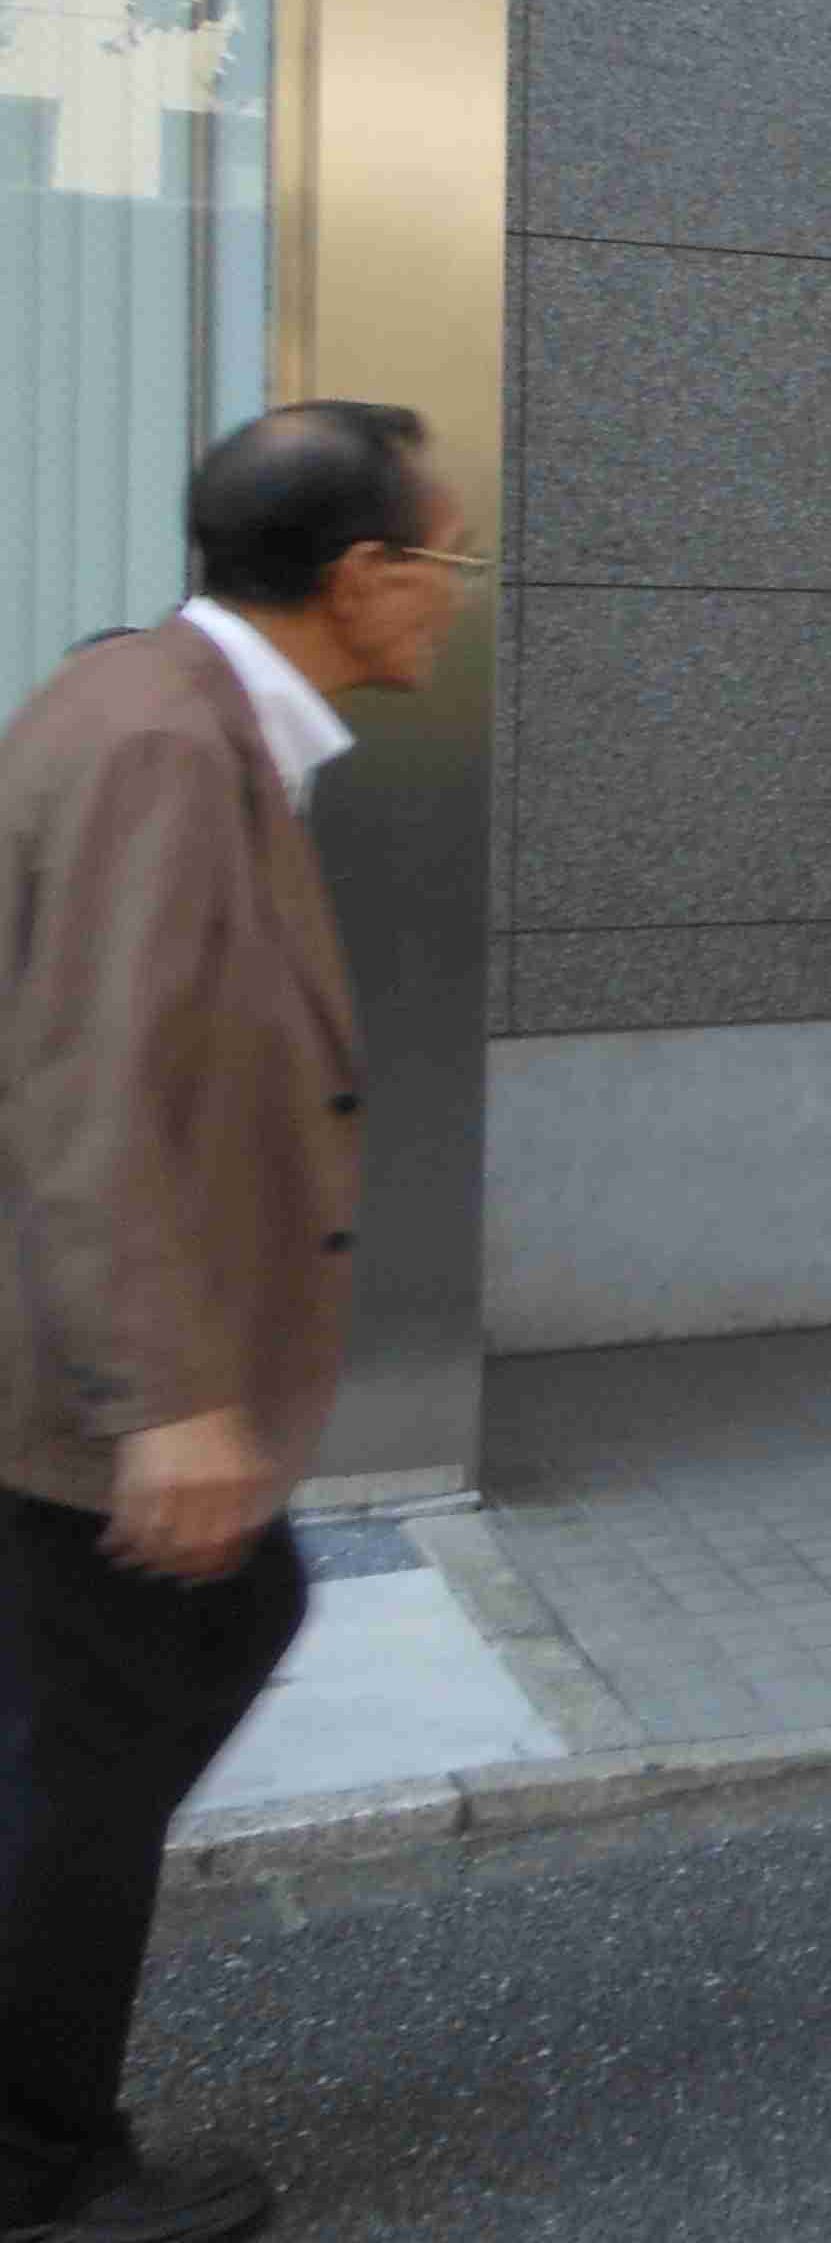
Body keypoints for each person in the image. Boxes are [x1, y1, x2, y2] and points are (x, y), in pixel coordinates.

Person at [0, 402, 471, 2243]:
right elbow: (102, 1090)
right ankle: (40, 2170)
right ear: (360, 577)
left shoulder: (159, 706)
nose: (451, 595)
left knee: (112, 1708)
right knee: (95, 1742)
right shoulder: (161, 751)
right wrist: (171, 1402)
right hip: (77, 1371)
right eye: (444, 557)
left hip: (72, 1351)